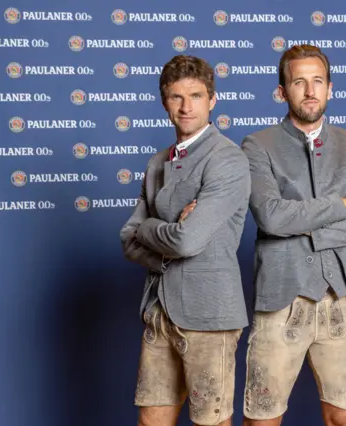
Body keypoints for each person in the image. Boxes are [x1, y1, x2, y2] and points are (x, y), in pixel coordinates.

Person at [240, 45, 346, 426]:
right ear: (282, 91)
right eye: (299, 82)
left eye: (318, 82)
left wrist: (309, 229)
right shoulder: (257, 145)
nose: (310, 91)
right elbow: (272, 217)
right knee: (263, 418)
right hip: (281, 297)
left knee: (343, 416)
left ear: (330, 88)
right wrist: (343, 205)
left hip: (343, 295)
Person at [119, 54, 251, 426]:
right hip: (160, 310)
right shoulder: (157, 162)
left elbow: (185, 242)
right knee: (151, 420)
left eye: (195, 95)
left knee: (211, 421)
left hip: (209, 316)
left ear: (212, 100)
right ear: (165, 103)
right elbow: (129, 238)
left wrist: (151, 229)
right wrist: (162, 232)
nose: (186, 106)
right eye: (176, 97)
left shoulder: (227, 159)